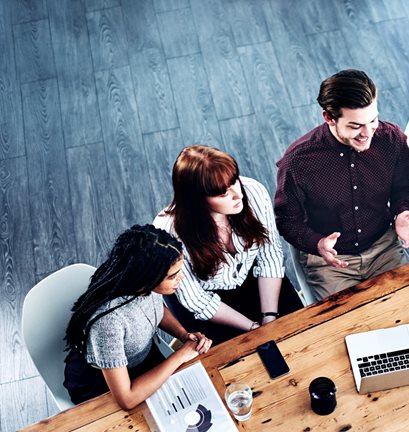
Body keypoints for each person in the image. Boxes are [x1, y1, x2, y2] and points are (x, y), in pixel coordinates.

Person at [274, 69, 409, 299]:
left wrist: (402, 213)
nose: (368, 133)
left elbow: (402, 188)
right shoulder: (297, 162)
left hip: (383, 247)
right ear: (329, 118)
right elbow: (287, 220)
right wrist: (318, 243)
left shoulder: (392, 139)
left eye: (373, 120)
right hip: (331, 262)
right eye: (356, 126)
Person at [154, 145, 303, 343]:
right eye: (223, 193)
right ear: (197, 200)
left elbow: (270, 256)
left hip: (255, 277)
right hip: (206, 297)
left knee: (301, 332)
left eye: (234, 181)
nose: (238, 195)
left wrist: (269, 317)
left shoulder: (253, 191)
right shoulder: (168, 231)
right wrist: (252, 327)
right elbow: (196, 300)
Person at [63, 225, 212, 408]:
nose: (180, 278)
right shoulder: (108, 323)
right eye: (172, 276)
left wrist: (182, 335)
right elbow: (126, 399)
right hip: (104, 384)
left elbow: (155, 310)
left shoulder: (144, 287)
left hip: (143, 359)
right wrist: (181, 355)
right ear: (147, 277)